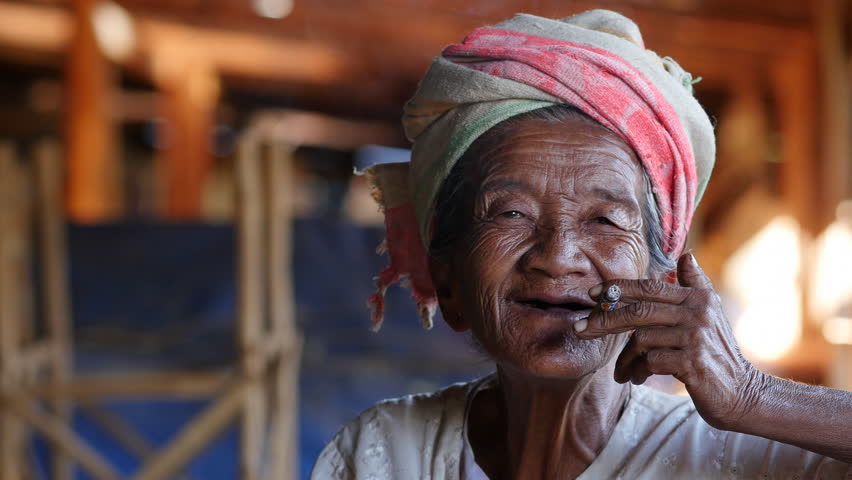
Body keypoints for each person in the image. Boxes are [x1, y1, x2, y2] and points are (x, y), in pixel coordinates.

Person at [311, 9, 852, 479]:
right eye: (512, 213)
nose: (558, 257)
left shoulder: (735, 456)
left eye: (606, 220)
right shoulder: (386, 451)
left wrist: (753, 396)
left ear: (661, 282)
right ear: (447, 283)